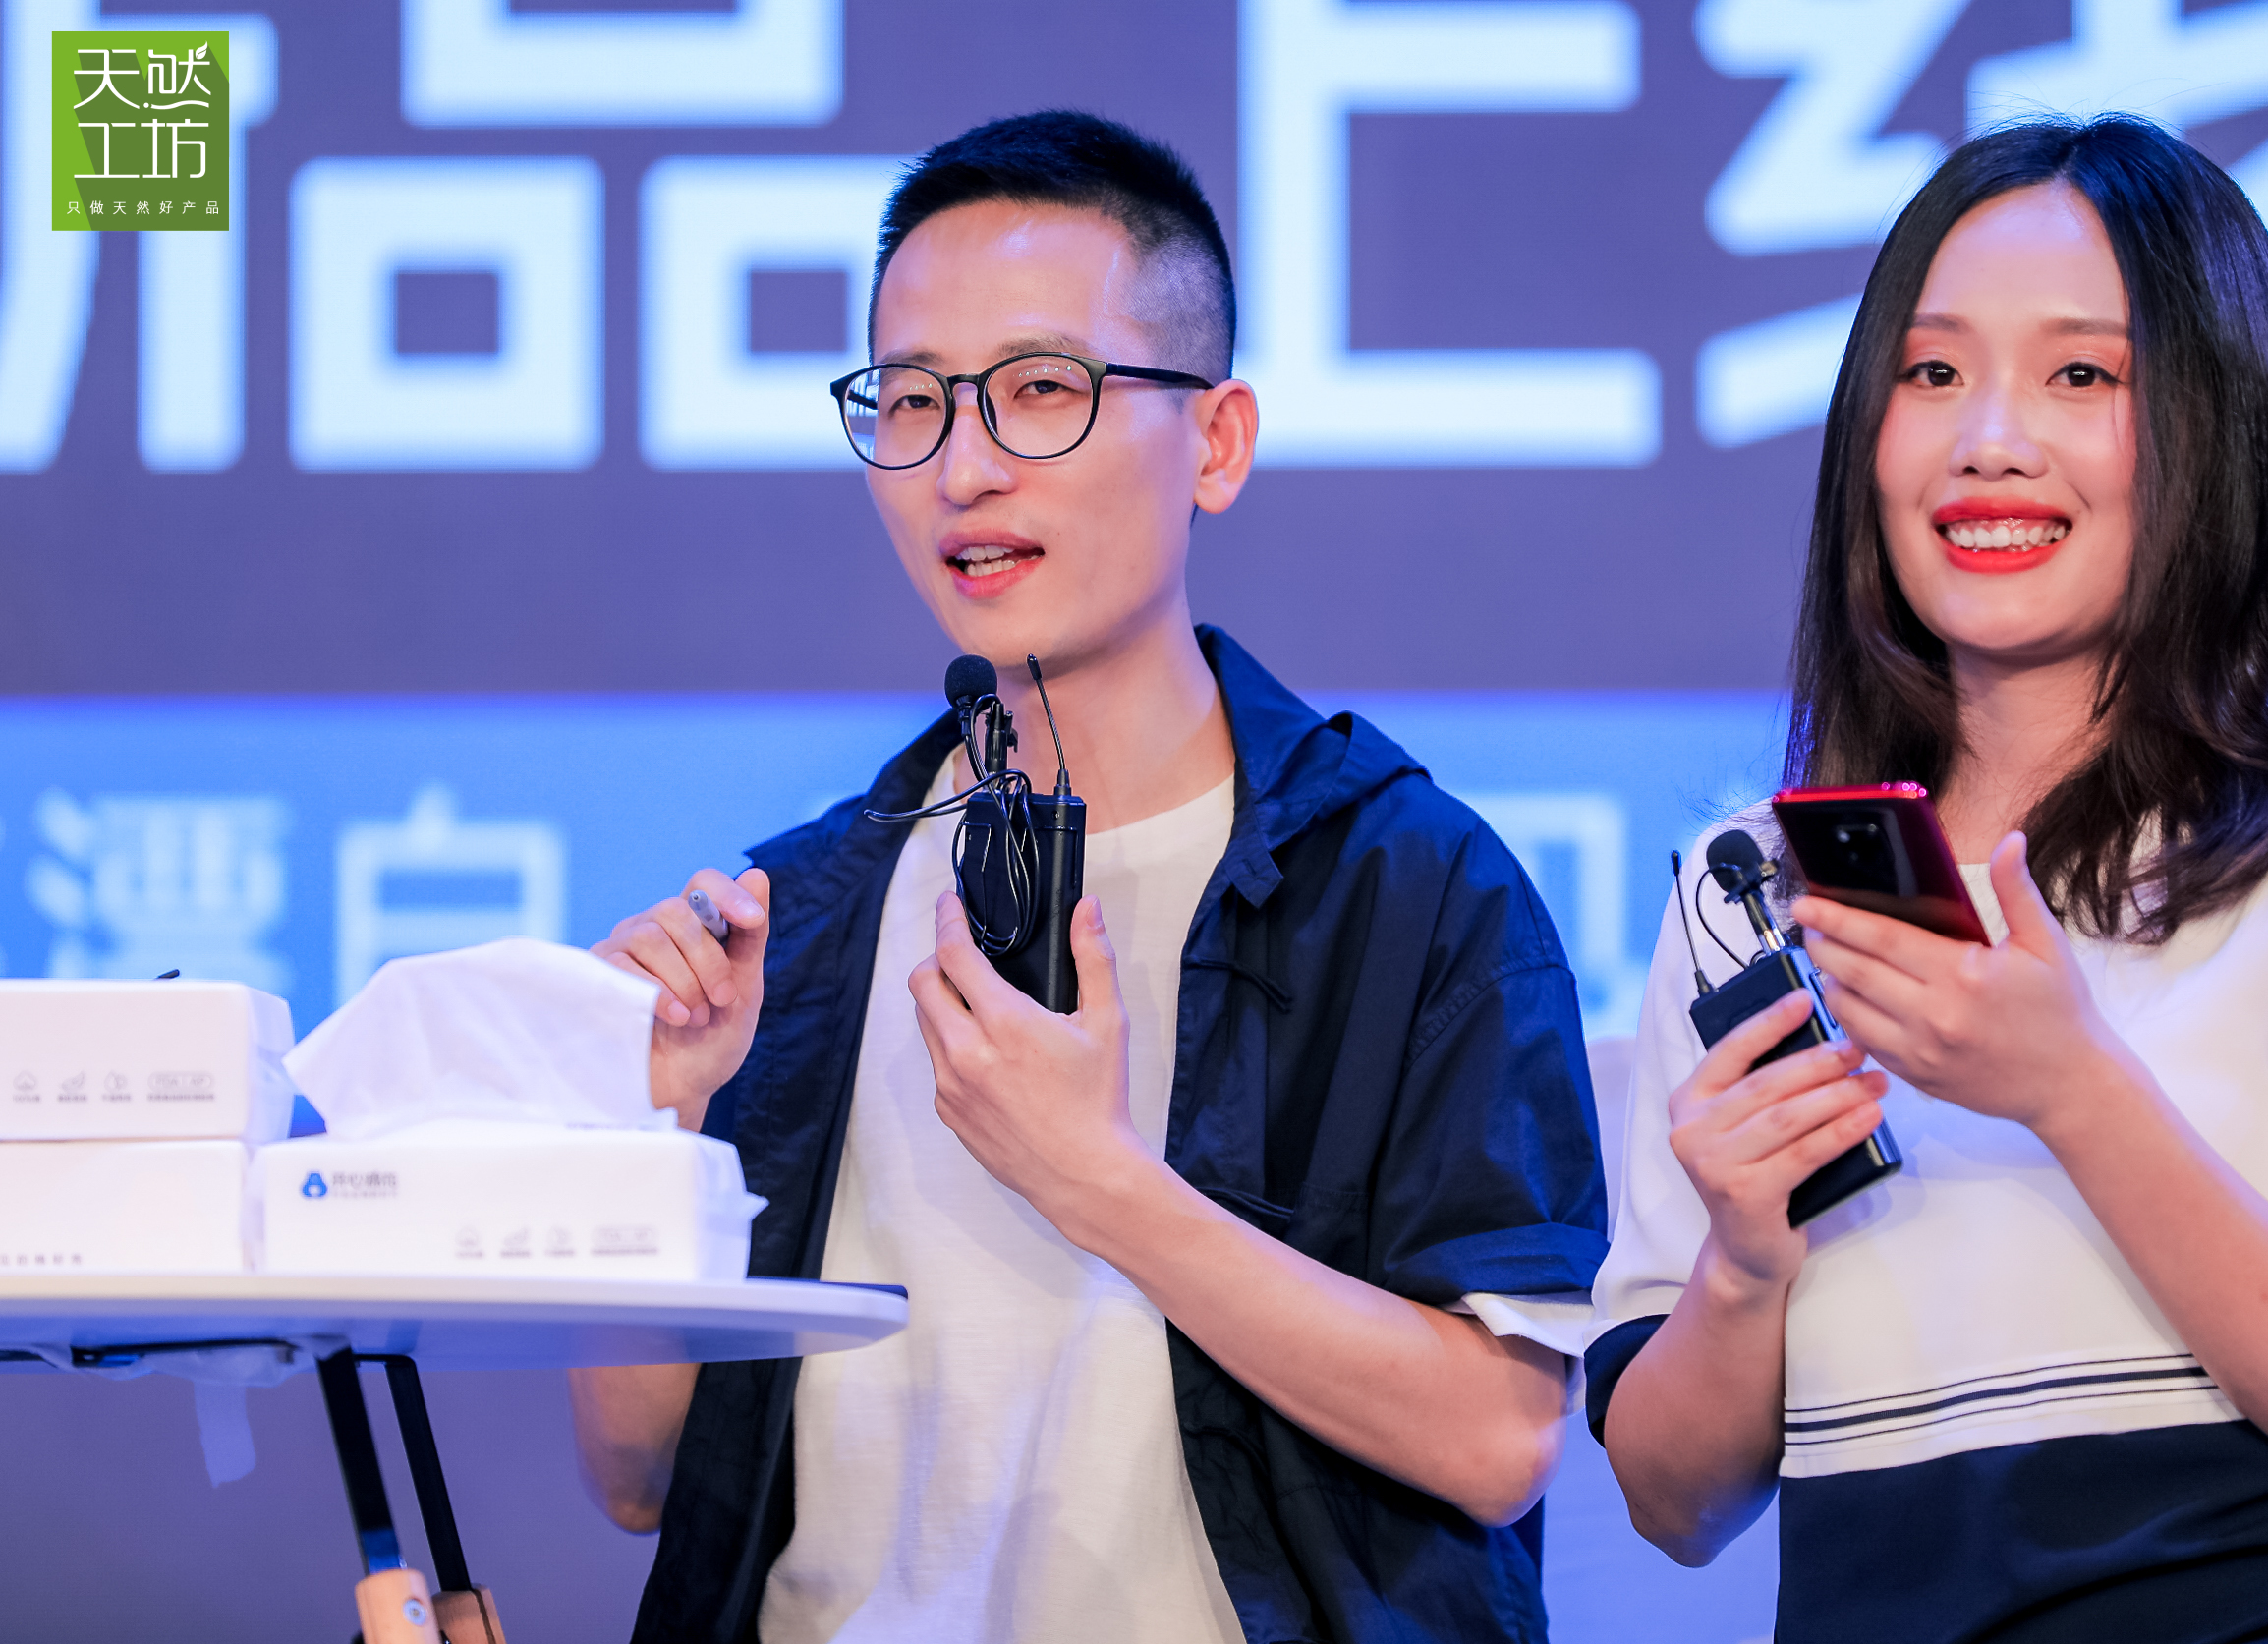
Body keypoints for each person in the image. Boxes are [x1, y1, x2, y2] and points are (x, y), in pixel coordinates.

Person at [570, 110, 1607, 1644]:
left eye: (1041, 391)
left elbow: (1498, 1436)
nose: (963, 466)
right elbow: (639, 1477)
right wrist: (651, 1135)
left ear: (1217, 441)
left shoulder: (1405, 886)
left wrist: (1099, 1181)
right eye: (910, 400)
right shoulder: (797, 919)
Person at [1588, 115, 2268, 1642]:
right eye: (1930, 372)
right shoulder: (1753, 883)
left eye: (2081, 375)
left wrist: (2066, 1085)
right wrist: (1740, 1261)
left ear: (2216, 425)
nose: (1986, 438)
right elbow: (1672, 1504)